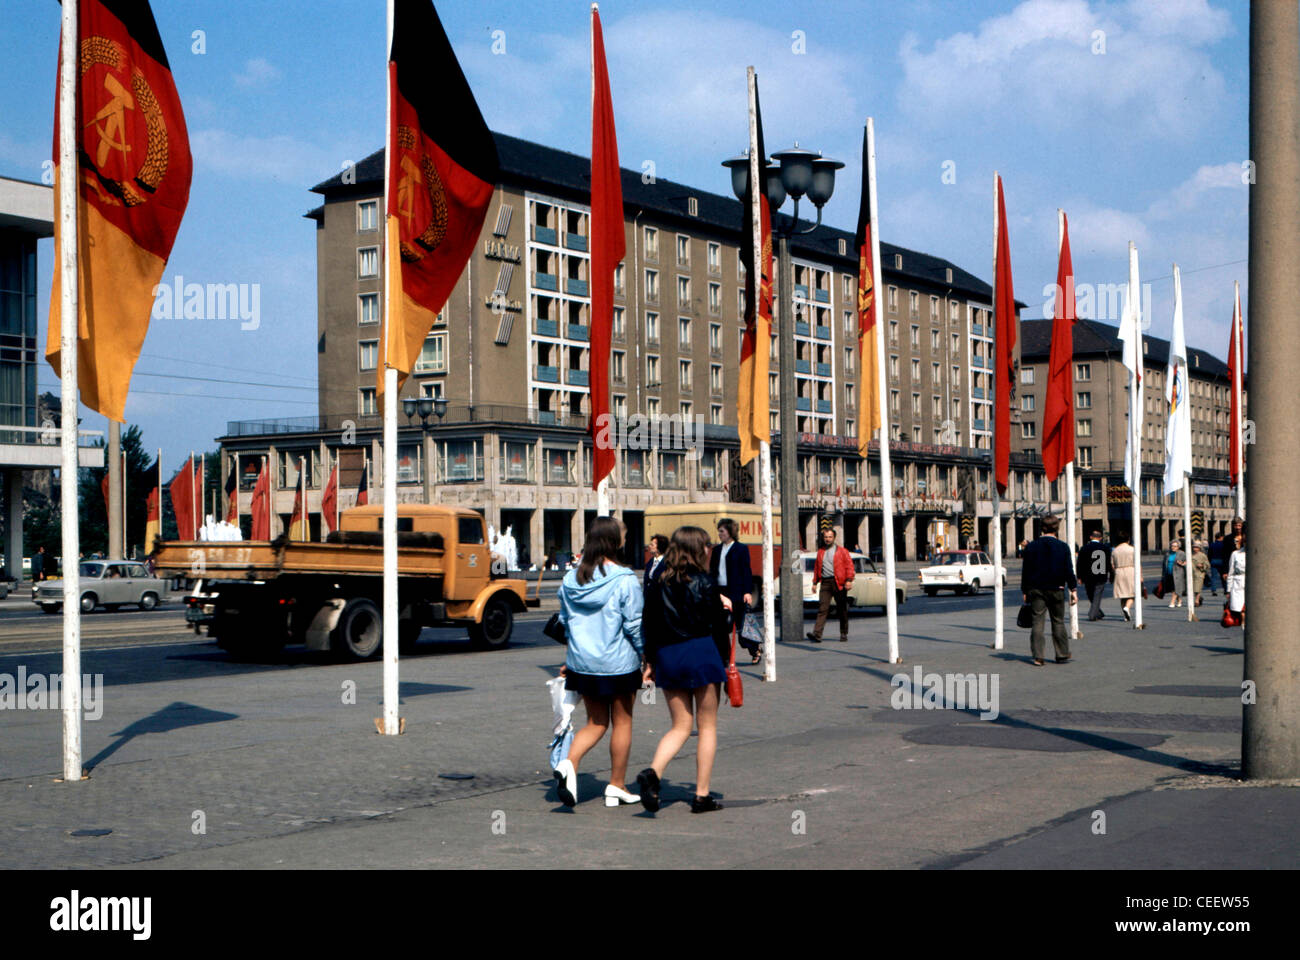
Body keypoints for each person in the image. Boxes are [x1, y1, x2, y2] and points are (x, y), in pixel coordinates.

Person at [637, 525, 732, 814]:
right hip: (702, 653)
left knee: (679, 726)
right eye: (706, 545)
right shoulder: (706, 581)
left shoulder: (657, 582)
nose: (709, 550)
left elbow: (648, 626)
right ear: (696, 549)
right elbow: (718, 628)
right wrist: (726, 663)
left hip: (669, 655)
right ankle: (701, 796)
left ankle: (653, 773)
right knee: (707, 728)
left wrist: (649, 662)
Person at [552, 517, 644, 809]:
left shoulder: (570, 580)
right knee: (623, 722)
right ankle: (616, 786)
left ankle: (569, 763)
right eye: (623, 536)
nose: (626, 541)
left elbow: (564, 623)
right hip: (618, 663)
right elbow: (634, 625)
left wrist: (573, 656)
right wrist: (647, 655)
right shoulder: (625, 579)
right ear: (613, 541)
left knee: (595, 722)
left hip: (583, 663)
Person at [1020, 515, 1078, 665]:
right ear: (1057, 528)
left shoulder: (1031, 546)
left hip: (1036, 589)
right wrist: (1073, 589)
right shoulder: (1063, 546)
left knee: (1037, 622)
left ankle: (1038, 656)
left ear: (1042, 528)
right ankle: (1062, 653)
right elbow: (1068, 570)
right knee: (1058, 621)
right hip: (1056, 588)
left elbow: (1025, 571)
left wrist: (1024, 591)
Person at [709, 518, 757, 663]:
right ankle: (725, 656)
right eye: (719, 531)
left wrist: (747, 591)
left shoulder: (741, 549)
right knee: (720, 627)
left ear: (730, 532)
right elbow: (712, 571)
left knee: (742, 626)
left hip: (737, 592)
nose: (719, 534)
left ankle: (755, 650)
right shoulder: (717, 550)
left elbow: (746, 571)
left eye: (722, 531)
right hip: (721, 592)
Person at [807, 525, 854, 644]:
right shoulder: (821, 552)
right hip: (826, 583)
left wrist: (849, 580)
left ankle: (844, 633)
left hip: (839, 582)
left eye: (830, 537)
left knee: (842, 609)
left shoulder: (842, 551)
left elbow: (849, 566)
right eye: (826, 537)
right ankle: (817, 634)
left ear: (834, 538)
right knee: (823, 608)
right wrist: (814, 582)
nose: (828, 539)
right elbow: (817, 568)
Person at [1076, 529, 1112, 621]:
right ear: (1100, 538)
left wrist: (1079, 576)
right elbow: (1108, 563)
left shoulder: (1084, 548)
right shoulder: (1105, 548)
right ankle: (1097, 613)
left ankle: (1093, 614)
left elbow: (1080, 563)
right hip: (1101, 575)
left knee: (1090, 594)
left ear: (1091, 537)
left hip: (1088, 576)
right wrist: (1111, 574)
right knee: (1097, 595)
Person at [1111, 532, 1136, 621]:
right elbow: (1137, 563)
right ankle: (1127, 608)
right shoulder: (1132, 549)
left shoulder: (1115, 550)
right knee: (1133, 593)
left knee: (1122, 594)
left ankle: (1125, 615)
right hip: (1130, 570)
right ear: (1128, 540)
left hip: (1119, 571)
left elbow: (1112, 565)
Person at [1226, 528, 1246, 627]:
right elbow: (1231, 573)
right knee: (1240, 610)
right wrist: (1228, 590)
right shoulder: (1235, 554)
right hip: (1238, 584)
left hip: (1253, 585)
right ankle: (1243, 624)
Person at [1190, 542, 1210, 615]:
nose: (1195, 549)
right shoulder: (1190, 554)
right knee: (1192, 589)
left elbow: (1207, 565)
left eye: (1197, 547)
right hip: (1191, 574)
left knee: (1197, 588)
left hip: (1199, 573)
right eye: (1194, 547)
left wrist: (1202, 565)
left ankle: (1197, 600)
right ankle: (1199, 598)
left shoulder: (1202, 555)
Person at [1170, 539, 1187, 609]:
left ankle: (1172, 602)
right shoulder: (1168, 553)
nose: (1173, 547)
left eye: (1175, 546)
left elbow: (1187, 561)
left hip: (1178, 572)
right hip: (1170, 572)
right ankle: (1179, 600)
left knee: (1175, 587)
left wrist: (1182, 564)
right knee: (1174, 588)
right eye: (1172, 546)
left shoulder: (1182, 553)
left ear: (1178, 547)